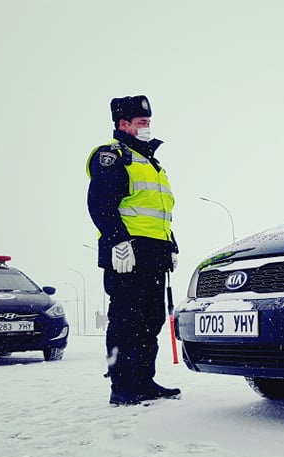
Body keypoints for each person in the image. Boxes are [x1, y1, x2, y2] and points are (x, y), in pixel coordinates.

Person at [86, 95, 181, 406]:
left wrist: (172, 245)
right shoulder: (112, 157)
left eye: (149, 122)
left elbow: (159, 210)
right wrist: (117, 242)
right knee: (125, 321)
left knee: (151, 320)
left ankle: (144, 380)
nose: (147, 127)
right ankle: (122, 386)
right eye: (141, 122)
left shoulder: (152, 163)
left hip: (155, 255)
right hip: (126, 254)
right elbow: (101, 204)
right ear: (123, 124)